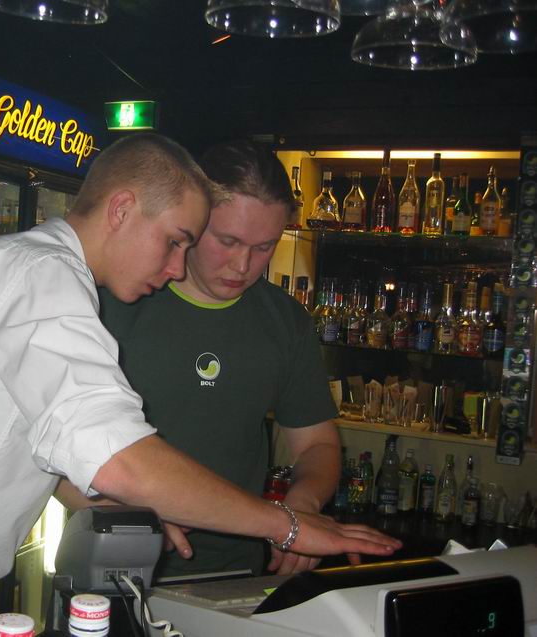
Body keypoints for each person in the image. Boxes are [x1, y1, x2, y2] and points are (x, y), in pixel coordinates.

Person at [0, 133, 399, 637]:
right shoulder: (45, 278)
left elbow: (42, 441)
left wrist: (126, 507)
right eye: (175, 240)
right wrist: (288, 525)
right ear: (121, 209)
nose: (176, 266)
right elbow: (119, 460)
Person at [58, 139, 341, 579]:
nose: (243, 265)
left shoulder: (285, 321)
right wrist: (124, 511)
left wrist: (302, 505)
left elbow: (318, 444)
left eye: (264, 247)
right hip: (111, 565)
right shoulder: (112, 298)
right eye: (228, 241)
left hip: (236, 571)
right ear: (193, 220)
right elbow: (47, 456)